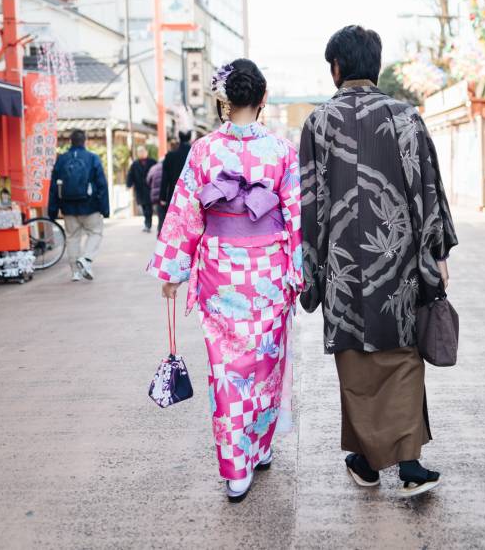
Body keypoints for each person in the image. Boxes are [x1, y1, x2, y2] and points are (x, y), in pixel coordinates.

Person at [299, 25, 458, 498]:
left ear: (336, 68)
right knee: (403, 358)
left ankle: (367, 462)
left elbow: (309, 200)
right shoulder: (406, 117)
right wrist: (436, 254)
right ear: (377, 65)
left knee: (356, 364)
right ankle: (408, 464)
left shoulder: (318, 123)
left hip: (343, 266)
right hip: (399, 265)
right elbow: (427, 191)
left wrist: (309, 270)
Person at [148, 58, 302, 502]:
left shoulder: (203, 151)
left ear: (224, 100)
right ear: (263, 98)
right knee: (265, 364)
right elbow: (297, 219)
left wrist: (174, 272)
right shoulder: (281, 151)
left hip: (220, 272)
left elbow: (184, 214)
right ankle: (261, 444)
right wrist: (299, 272)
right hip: (270, 273)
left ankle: (238, 467)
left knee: (227, 370)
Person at [48, 129, 109, 282]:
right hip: (90, 206)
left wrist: (52, 210)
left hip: (68, 208)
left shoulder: (61, 160)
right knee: (95, 232)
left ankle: (75, 272)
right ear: (85, 141)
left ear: (71, 141)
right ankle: (87, 259)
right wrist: (105, 208)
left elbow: (54, 186)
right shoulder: (92, 158)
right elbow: (102, 184)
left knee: (72, 238)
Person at [158, 130, 192, 217]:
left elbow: (164, 179)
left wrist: (162, 197)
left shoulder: (170, 156)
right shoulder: (194, 154)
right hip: (192, 195)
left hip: (174, 194)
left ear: (179, 139)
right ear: (190, 138)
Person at [126, 145, 157, 232]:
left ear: (146, 152)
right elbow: (130, 175)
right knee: (144, 207)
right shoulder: (135, 164)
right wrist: (129, 184)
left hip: (150, 188)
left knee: (149, 208)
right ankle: (146, 223)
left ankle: (148, 224)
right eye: (139, 152)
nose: (141, 154)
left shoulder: (152, 162)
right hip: (140, 189)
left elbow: (158, 173)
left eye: (143, 152)